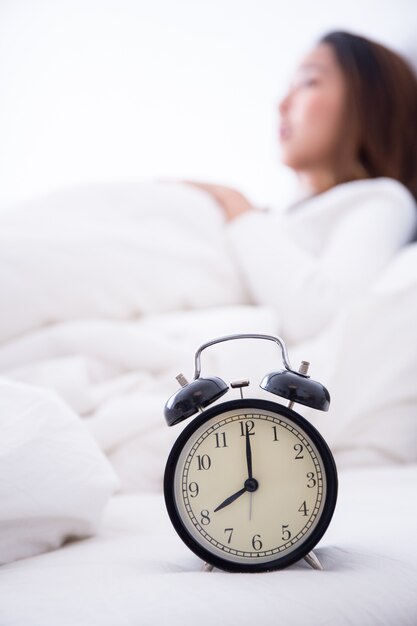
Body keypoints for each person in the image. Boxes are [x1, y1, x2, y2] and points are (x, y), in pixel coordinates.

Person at [185, 30, 417, 344]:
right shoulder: (276, 217)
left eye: (309, 82)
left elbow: (319, 314)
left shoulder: (383, 200)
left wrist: (236, 205)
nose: (282, 104)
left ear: (370, 101)